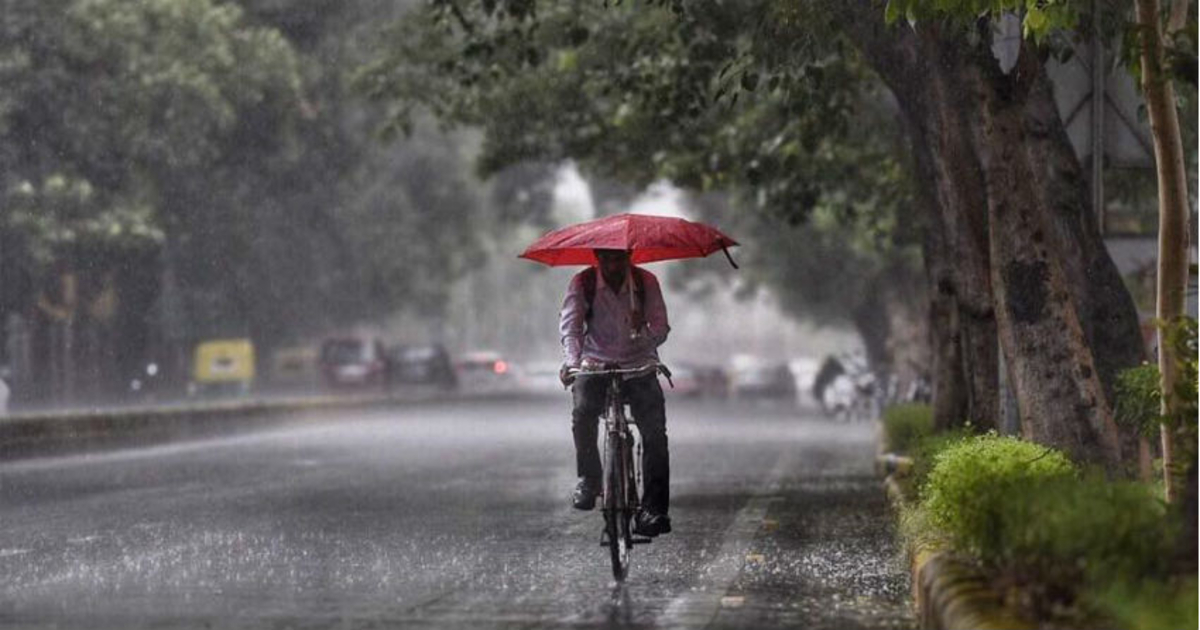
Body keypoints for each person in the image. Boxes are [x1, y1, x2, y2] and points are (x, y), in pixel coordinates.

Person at [558, 248, 672, 537]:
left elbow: (661, 327)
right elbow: (571, 329)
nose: (613, 265)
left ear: (629, 256)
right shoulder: (582, 283)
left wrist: (644, 330)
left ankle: (653, 510)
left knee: (655, 434)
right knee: (583, 413)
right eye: (606, 259)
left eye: (619, 258)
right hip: (594, 364)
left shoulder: (645, 283)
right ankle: (590, 478)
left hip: (639, 365)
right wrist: (572, 365)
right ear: (597, 257)